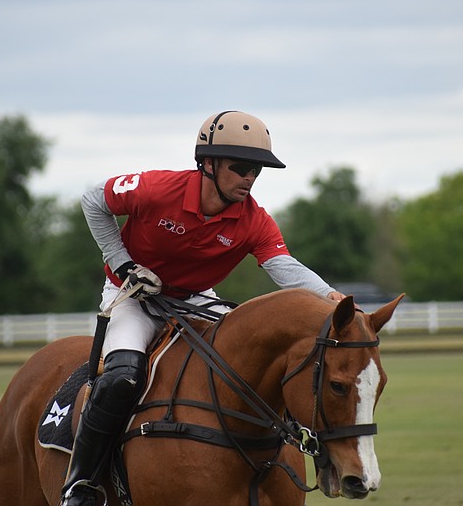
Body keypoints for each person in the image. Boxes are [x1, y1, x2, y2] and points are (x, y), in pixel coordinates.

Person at [60, 111, 349, 506]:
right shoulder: (158, 188)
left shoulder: (254, 221)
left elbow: (284, 267)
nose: (249, 177)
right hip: (133, 298)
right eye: (241, 167)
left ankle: (303, 459)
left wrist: (330, 296)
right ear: (208, 163)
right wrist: (124, 262)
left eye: (257, 171)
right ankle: (82, 484)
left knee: (252, 368)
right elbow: (94, 199)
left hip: (195, 298)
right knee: (121, 378)